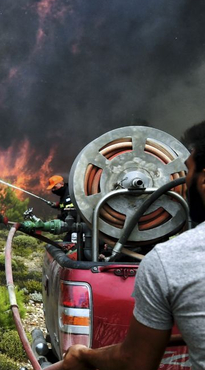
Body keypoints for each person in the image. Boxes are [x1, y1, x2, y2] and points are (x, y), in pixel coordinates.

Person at [59, 121, 205, 370]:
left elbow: (135, 362)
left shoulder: (170, 261)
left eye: (188, 170)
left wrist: (83, 357)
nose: (182, 180)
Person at [46, 175, 76, 242]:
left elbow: (71, 211)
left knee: (68, 244)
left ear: (61, 184)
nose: (53, 190)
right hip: (73, 227)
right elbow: (65, 205)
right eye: (52, 188)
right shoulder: (63, 194)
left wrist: (59, 218)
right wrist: (58, 205)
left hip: (78, 226)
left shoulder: (71, 192)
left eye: (54, 187)